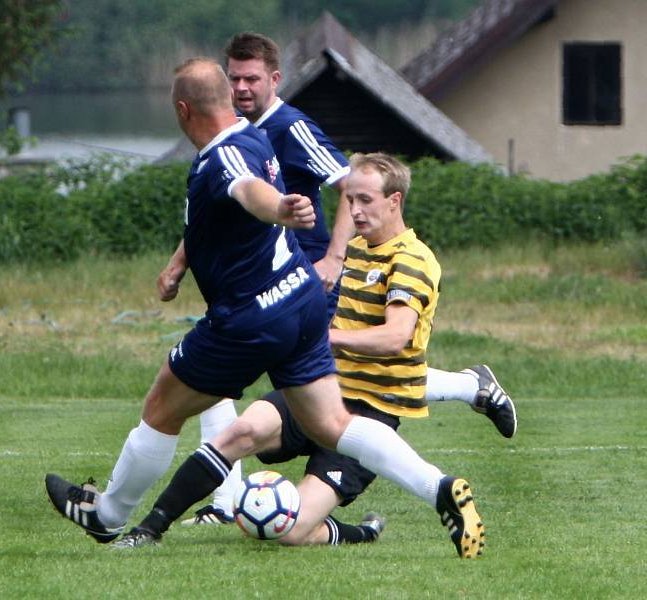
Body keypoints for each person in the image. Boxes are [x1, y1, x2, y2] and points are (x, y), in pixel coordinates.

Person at [45, 62, 484, 559]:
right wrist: (181, 262)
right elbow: (222, 216)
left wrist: (278, 209)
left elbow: (246, 191)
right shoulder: (253, 136)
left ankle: (107, 516)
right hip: (301, 300)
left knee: (161, 410)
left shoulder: (222, 157)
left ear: (183, 111)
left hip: (248, 319)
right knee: (332, 425)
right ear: (229, 101)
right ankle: (439, 488)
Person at [166, 32, 516, 527]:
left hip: (296, 285)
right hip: (252, 286)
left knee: (322, 375)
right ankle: (468, 389)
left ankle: (228, 502)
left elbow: (350, 179)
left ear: (274, 79)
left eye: (251, 78)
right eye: (234, 78)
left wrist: (333, 258)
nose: (242, 87)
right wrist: (181, 261)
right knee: (248, 385)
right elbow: (221, 209)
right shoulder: (235, 134)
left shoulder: (290, 126)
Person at [113, 152, 486, 557]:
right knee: (240, 433)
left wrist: (324, 339)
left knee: (286, 531)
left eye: (365, 200)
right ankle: (149, 528)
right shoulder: (353, 251)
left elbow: (394, 338)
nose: (355, 210)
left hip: (371, 411)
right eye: (350, 201)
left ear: (394, 201)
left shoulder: (412, 260)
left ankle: (364, 531)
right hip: (321, 388)